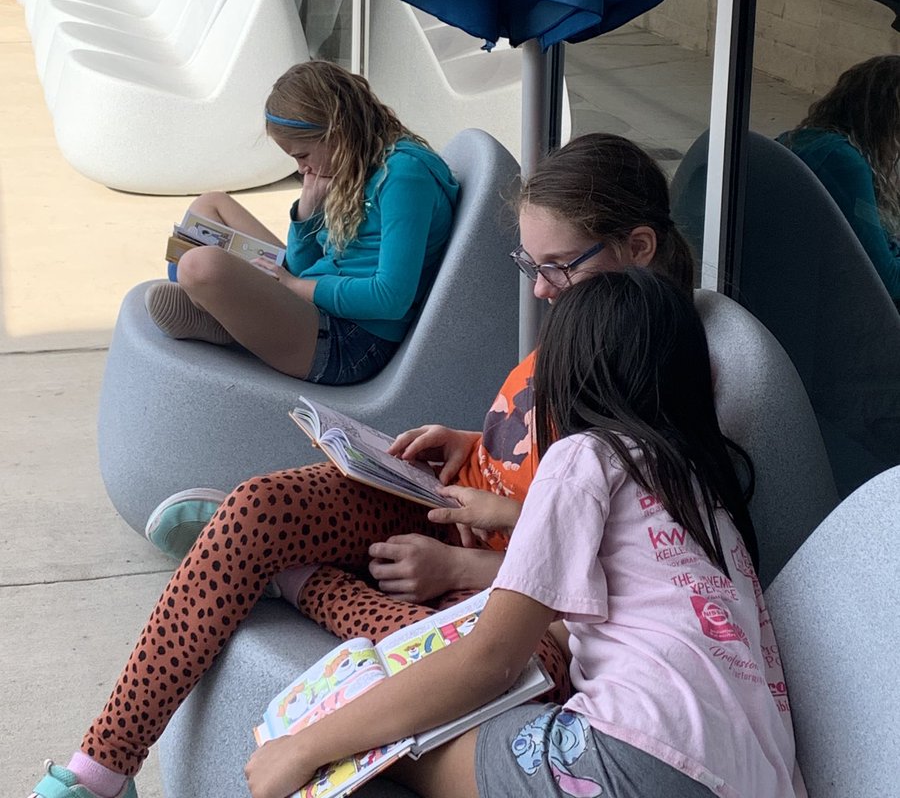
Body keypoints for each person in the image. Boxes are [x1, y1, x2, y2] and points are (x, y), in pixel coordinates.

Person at [29, 133, 696, 798]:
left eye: (560, 267)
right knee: (261, 506)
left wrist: (468, 563)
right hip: (447, 501)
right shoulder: (585, 315)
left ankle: (298, 578)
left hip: (519, 600)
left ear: (637, 247)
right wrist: (474, 440)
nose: (543, 292)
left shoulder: (652, 368)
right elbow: (536, 435)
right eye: (531, 266)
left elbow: (619, 572)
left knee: (463, 666)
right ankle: (97, 772)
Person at [245, 270, 804, 798]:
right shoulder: (707, 498)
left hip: (630, 757)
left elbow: (490, 662)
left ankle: (298, 601)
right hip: (753, 780)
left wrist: (303, 748)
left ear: (567, 377)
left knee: (395, 746)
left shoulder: (585, 455)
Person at [143, 60, 461, 383]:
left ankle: (230, 325)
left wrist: (298, 288)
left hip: (349, 339)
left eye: (303, 156)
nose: (301, 169)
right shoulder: (355, 163)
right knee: (210, 206)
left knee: (199, 268)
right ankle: (230, 315)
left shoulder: (403, 178)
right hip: (317, 299)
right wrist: (307, 213)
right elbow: (302, 263)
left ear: (335, 134)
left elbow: (391, 299)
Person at [777, 54, 900, 304]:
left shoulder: (808, 140)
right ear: (886, 120)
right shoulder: (840, 161)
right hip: (834, 309)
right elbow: (885, 281)